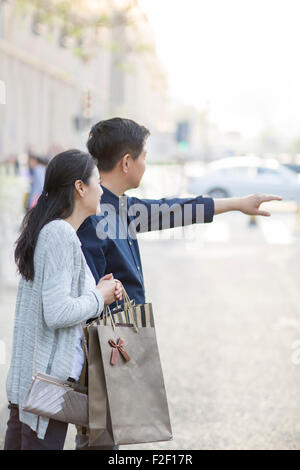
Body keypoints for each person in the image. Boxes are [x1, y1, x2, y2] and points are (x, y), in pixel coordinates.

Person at [75, 117, 282, 450]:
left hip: (121, 340)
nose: (147, 163)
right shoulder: (94, 213)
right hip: (107, 344)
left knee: (109, 436)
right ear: (127, 162)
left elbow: (174, 209)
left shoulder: (121, 206)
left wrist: (237, 204)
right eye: (144, 156)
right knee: (100, 438)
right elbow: (87, 292)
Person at [4, 149, 123, 451]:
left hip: (32, 386)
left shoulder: (52, 229)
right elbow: (57, 312)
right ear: (80, 188)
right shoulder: (60, 233)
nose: (101, 190)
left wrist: (96, 291)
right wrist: (99, 297)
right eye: (97, 181)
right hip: (46, 388)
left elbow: (54, 301)